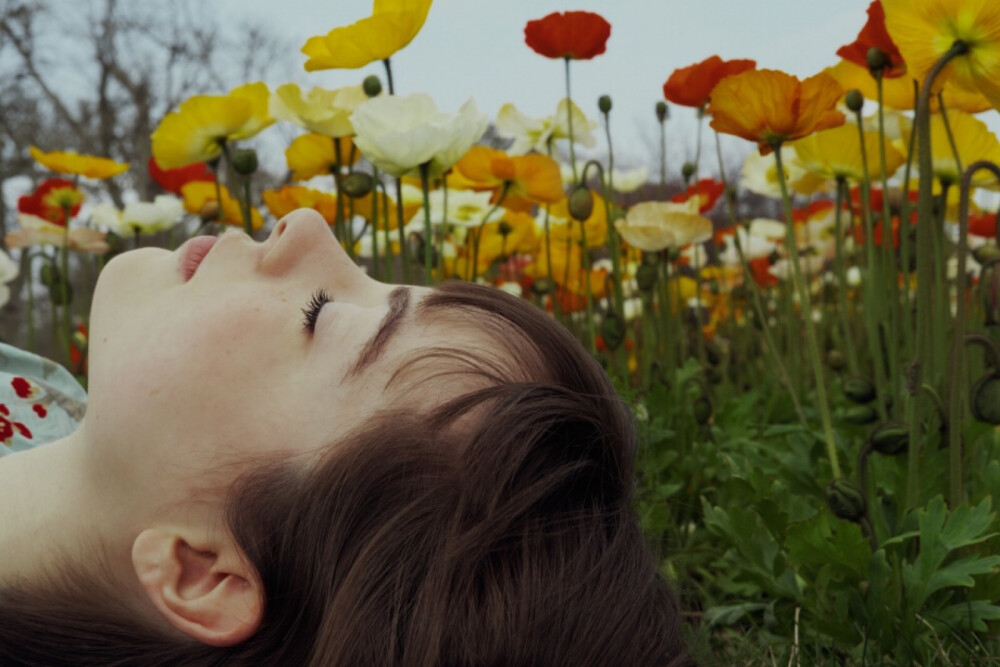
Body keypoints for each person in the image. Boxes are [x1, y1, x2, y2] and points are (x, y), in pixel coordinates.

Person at [0, 209, 692, 666]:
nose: (307, 225)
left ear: (201, 573)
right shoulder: (43, 399)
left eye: (321, 313)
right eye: (382, 279)